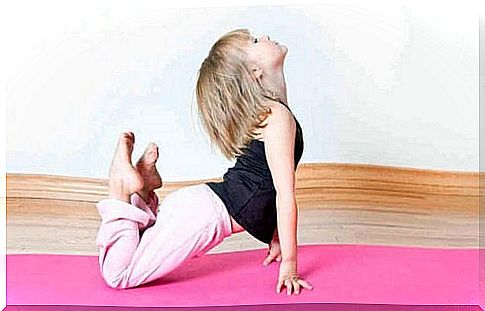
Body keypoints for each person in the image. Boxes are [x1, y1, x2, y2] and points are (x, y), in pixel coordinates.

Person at [95, 28, 313, 296]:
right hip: (203, 217)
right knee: (119, 274)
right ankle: (120, 188)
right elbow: (283, 194)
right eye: (255, 41)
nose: (265, 36)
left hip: (201, 207)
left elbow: (264, 183)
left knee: (145, 244)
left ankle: (143, 190)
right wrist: (290, 264)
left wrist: (275, 237)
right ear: (254, 71)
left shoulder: (274, 112)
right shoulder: (277, 117)